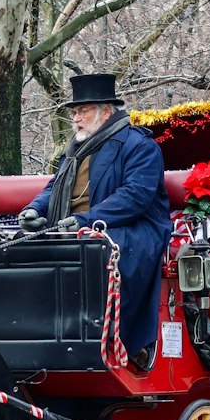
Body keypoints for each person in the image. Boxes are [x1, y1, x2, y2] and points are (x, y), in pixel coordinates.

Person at [17, 73, 172, 369]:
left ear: (106, 112)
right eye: (75, 112)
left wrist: (87, 220)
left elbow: (136, 196)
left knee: (101, 252)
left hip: (133, 228)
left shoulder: (139, 145)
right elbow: (54, 186)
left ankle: (123, 342)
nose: (76, 118)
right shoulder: (76, 150)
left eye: (83, 111)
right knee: (22, 251)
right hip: (75, 226)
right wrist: (35, 210)